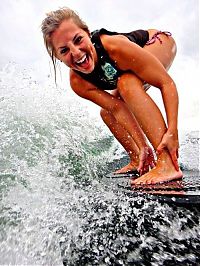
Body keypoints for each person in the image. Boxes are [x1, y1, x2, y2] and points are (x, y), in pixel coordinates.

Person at [41, 7, 183, 184]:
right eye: (64, 50)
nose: (76, 53)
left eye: (78, 40)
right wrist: (142, 145)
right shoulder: (78, 83)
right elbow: (117, 108)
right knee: (107, 112)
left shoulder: (114, 46)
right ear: (58, 57)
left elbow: (166, 83)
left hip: (158, 41)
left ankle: (167, 163)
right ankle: (138, 157)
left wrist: (173, 131)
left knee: (126, 83)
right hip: (128, 68)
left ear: (87, 32)